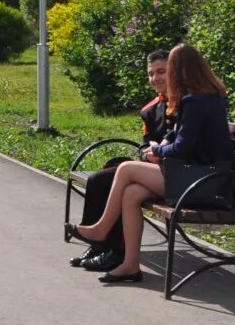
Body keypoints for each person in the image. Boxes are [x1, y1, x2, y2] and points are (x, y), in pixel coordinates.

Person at [74, 43, 235, 286]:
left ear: (180, 70)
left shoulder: (196, 101)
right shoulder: (203, 97)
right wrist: (158, 146)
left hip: (205, 183)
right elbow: (179, 136)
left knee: (126, 169)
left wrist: (157, 150)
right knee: (131, 193)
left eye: (167, 69)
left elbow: (181, 148)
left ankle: (101, 228)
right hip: (201, 177)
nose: (163, 76)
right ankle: (130, 265)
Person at [71, 50, 175, 272]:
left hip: (168, 173)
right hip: (152, 168)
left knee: (104, 181)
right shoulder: (150, 109)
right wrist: (148, 154)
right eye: (151, 74)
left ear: (174, 71)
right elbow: (144, 146)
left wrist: (152, 155)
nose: (155, 78)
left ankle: (113, 251)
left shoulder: (185, 103)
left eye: (161, 72)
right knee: (99, 179)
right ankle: (100, 247)